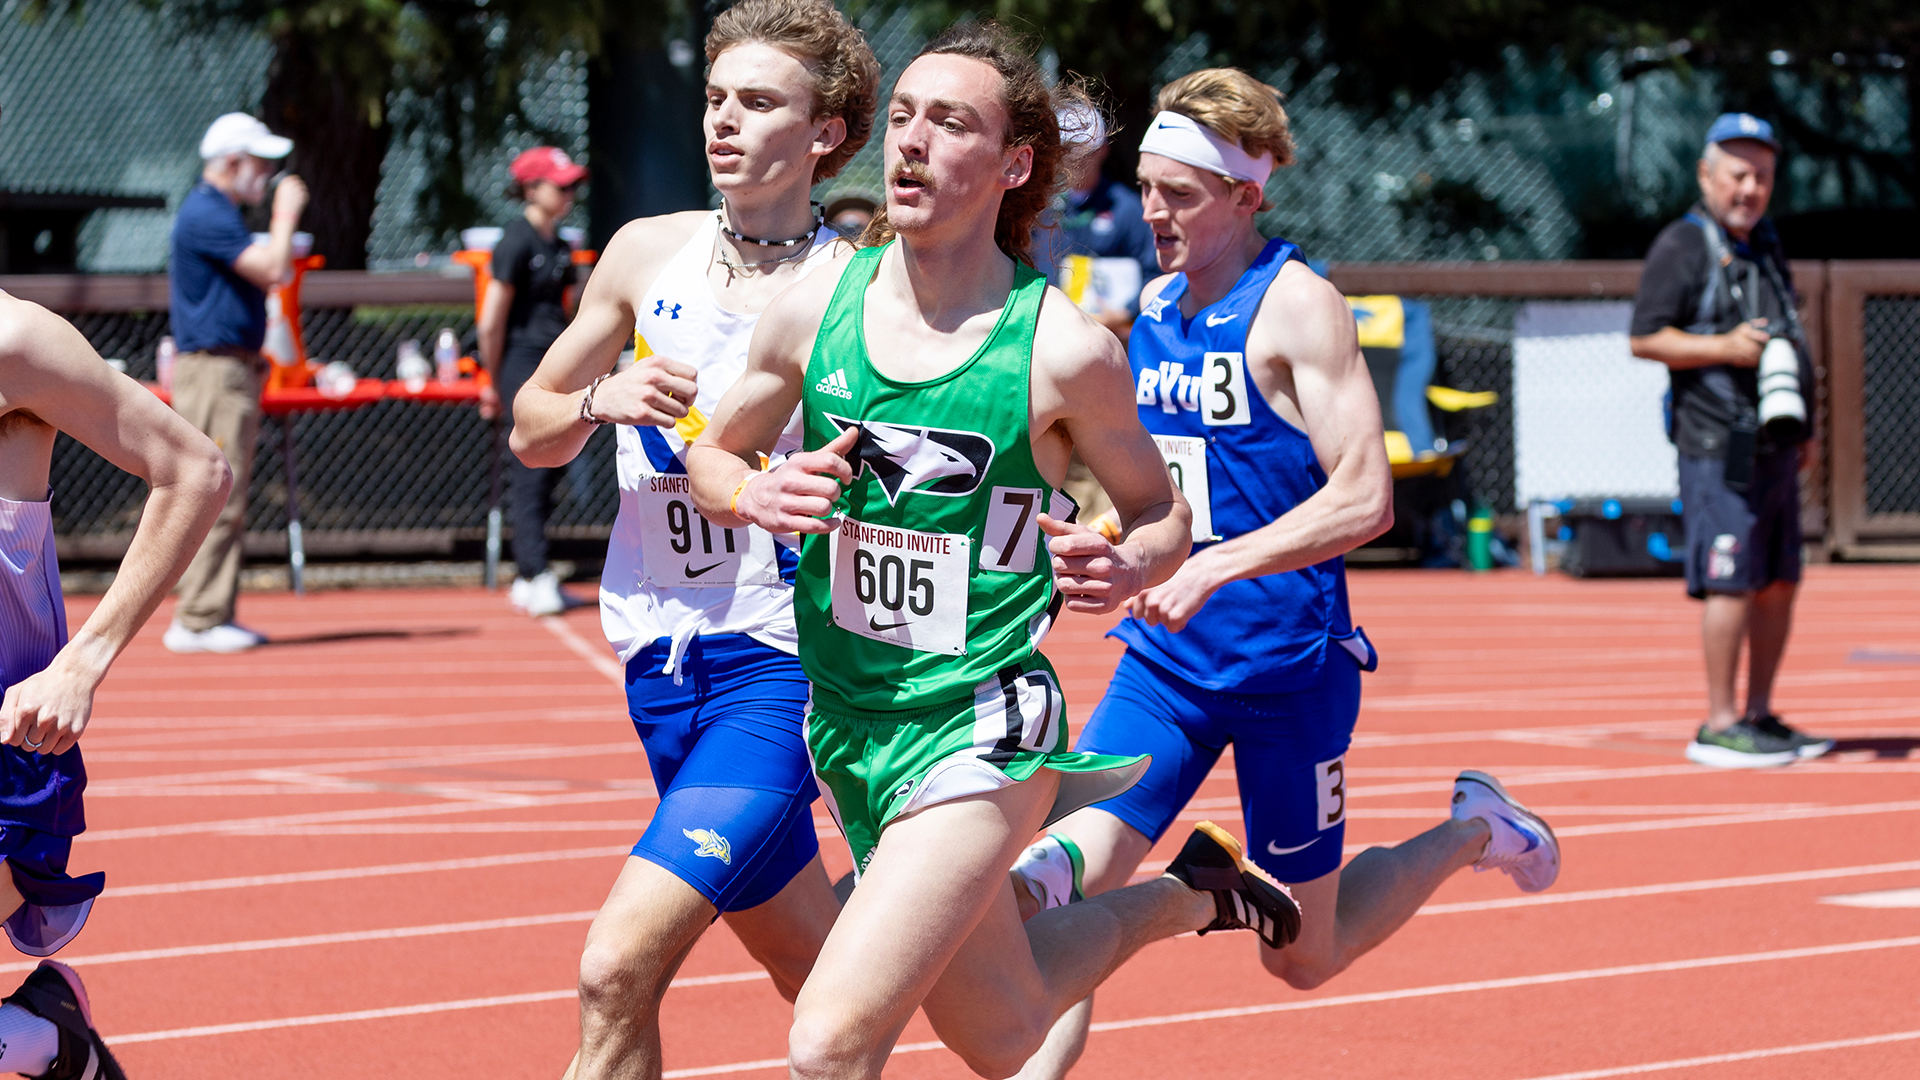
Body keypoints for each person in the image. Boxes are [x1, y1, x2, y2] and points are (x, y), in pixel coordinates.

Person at [687, 25, 1303, 1080]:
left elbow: (1160, 513)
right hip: (848, 718)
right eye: (903, 117)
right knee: (1004, 1032)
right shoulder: (815, 308)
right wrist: (753, 490)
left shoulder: (1063, 350)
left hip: (983, 720)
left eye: (949, 122)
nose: (912, 141)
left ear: (1013, 165)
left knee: (829, 1040)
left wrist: (1132, 562)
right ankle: (1189, 896)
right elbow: (712, 453)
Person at [1001, 68, 1565, 1079]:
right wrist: (1113, 549)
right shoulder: (1155, 308)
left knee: (1302, 957)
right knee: (1059, 887)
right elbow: (1171, 492)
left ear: (1244, 196)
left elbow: (1367, 497)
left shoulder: (1301, 308)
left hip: (1289, 672)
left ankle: (1473, 830)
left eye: (1181, 193)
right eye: (1147, 187)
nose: (1154, 211)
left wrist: (1217, 566)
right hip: (1166, 665)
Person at [507, 2, 878, 1075]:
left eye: (757, 102)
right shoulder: (645, 251)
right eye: (716, 98)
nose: (723, 120)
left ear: (825, 132)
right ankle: (1053, 929)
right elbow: (530, 428)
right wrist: (601, 399)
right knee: (825, 982)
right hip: (659, 658)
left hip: (781, 662)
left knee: (615, 968)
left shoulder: (856, 286)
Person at [1, 279, 232, 1076]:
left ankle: (48, 1035)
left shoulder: (16, 341)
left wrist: (83, 661)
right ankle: (46, 1035)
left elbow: (194, 471)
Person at [1629, 113, 1830, 769]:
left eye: (1763, 176)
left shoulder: (1765, 241)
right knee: (1730, 581)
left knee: (1779, 580)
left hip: (1776, 440)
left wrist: (1807, 428)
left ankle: (1760, 714)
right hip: (1717, 444)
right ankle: (1718, 724)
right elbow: (1644, 337)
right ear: (1706, 175)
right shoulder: (1682, 244)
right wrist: (1723, 348)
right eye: (1739, 174)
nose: (1751, 188)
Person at [161, 112, 307, 654]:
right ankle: (198, 618)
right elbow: (273, 269)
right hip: (215, 373)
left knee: (223, 492)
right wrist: (285, 213)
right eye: (259, 163)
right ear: (231, 161)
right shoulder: (207, 211)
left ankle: (208, 613)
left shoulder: (214, 210)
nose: (266, 174)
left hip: (226, 370)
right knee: (214, 492)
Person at [480, 146, 589, 617]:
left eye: (572, 185)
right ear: (531, 188)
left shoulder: (560, 245)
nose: (569, 194)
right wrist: (493, 380)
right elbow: (491, 321)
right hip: (520, 362)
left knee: (555, 461)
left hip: (553, 361)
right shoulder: (515, 241)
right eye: (560, 185)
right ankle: (533, 570)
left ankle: (532, 573)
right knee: (529, 467)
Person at [1031, 104, 1158, 339]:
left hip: (1108, 335)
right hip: (1047, 332)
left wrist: (1125, 312)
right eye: (1068, 149)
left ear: (1103, 150)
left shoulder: (1127, 209)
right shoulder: (1039, 208)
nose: (1075, 159)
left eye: (1084, 151)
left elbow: (1155, 271)